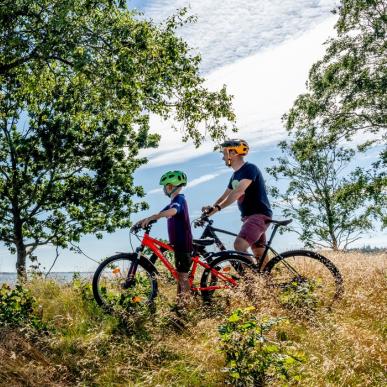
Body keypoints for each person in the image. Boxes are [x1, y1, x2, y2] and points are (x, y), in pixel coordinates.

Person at [202, 139, 272, 267]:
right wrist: (209, 212)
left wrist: (218, 207)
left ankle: (251, 281)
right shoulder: (235, 175)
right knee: (259, 254)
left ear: (233, 153)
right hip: (249, 218)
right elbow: (224, 197)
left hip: (258, 216)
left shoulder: (249, 168)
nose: (223, 158)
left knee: (239, 245)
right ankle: (267, 283)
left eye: (224, 153)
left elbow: (238, 191)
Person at [135, 170, 193, 307]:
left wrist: (155, 217)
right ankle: (180, 306)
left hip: (183, 243)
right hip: (178, 244)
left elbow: (173, 212)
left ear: (170, 187)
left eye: (164, 187)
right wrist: (144, 220)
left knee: (183, 277)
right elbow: (160, 213)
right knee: (180, 275)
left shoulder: (179, 199)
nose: (163, 190)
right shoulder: (173, 201)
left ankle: (186, 307)